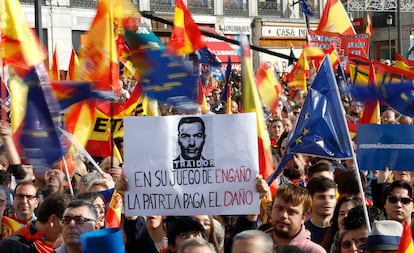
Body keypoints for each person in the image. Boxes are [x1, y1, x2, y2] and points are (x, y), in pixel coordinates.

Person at [0, 192, 72, 253]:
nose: (72, 228)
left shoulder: (71, 247)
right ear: (52, 220)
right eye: (67, 221)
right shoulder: (12, 247)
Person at [264, 183, 325, 253]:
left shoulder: (314, 251)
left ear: (303, 217)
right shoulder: (255, 245)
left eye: (291, 212)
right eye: (279, 208)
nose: (284, 215)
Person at [305, 176, 337, 244]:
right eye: (321, 197)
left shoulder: (341, 231)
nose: (327, 201)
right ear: (310, 199)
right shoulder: (302, 231)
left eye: (331, 197)